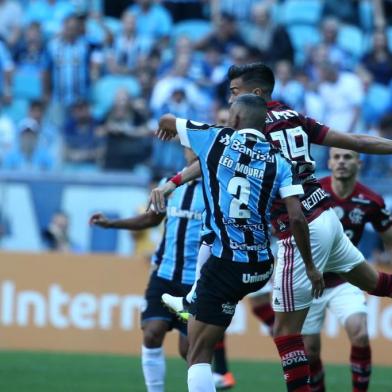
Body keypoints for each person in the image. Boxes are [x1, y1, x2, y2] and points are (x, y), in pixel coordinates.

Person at [155, 63, 392, 391]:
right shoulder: (295, 118)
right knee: (376, 282)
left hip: (301, 229)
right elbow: (354, 140)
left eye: (235, 93)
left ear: (255, 95)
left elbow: (213, 154)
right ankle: (193, 296)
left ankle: (195, 297)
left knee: (285, 333)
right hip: (327, 216)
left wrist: (173, 182)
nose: (229, 101)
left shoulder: (247, 129)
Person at [155, 93, 323, 392]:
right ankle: (193, 297)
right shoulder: (279, 160)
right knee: (216, 312)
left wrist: (169, 128)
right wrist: (310, 267)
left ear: (234, 119)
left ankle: (194, 298)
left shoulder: (215, 139)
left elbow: (166, 120)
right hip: (260, 265)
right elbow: (297, 218)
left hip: (226, 264)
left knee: (197, 353)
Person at [90, 148, 206, 392]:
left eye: (198, 147)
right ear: (184, 152)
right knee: (152, 333)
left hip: (195, 283)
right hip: (164, 274)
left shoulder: (215, 189)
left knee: (190, 349)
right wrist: (111, 224)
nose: (194, 153)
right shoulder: (169, 184)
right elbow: (150, 219)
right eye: (189, 147)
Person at [302, 148, 392, 392]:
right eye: (337, 157)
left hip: (346, 279)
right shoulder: (312, 193)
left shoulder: (371, 200)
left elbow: (389, 238)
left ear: (359, 163)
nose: (342, 162)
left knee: (360, 333)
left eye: (348, 157)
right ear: (329, 162)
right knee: (309, 353)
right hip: (311, 280)